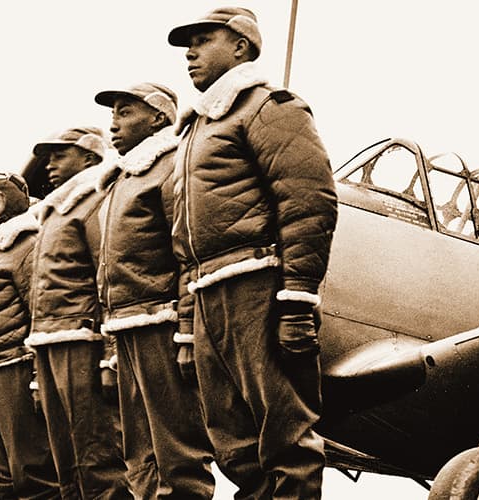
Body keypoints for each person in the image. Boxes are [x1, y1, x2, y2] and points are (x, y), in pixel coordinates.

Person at [167, 7, 337, 498]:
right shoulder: (193, 133)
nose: (189, 53)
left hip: (256, 288)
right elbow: (186, 243)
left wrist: (298, 300)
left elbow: (310, 203)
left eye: (202, 40)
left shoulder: (269, 107)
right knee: (234, 447)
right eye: (187, 44)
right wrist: (186, 324)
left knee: (285, 439)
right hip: (207, 296)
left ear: (241, 47)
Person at [92, 82, 215, 499]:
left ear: (160, 118)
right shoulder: (120, 182)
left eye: (125, 113)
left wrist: (185, 332)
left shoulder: (172, 167)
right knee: (139, 455)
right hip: (126, 325)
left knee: (177, 452)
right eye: (112, 115)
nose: (113, 124)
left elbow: (187, 255)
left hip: (160, 324)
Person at [23, 126, 130, 499]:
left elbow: (109, 277)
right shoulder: (53, 212)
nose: (49, 165)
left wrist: (110, 354)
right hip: (51, 340)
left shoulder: (97, 199)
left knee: (98, 453)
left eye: (59, 155)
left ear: (89, 157)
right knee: (65, 461)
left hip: (83, 340)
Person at [0, 172, 57, 499]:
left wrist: (36, 376)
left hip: (15, 368)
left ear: (13, 202)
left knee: (33, 470)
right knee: (2, 475)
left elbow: (40, 312)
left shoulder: (25, 244)